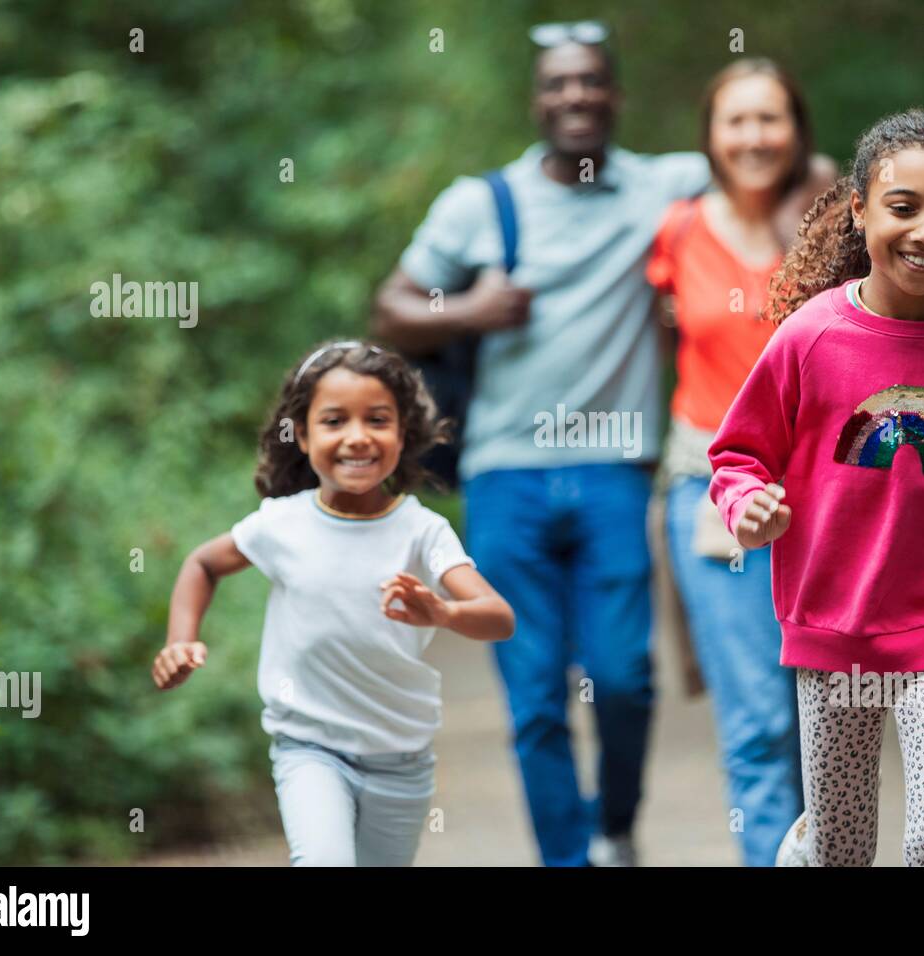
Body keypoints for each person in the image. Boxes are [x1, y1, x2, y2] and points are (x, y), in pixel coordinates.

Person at [375, 23, 710, 867]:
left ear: (615, 96)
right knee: (535, 699)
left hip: (614, 474)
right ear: (537, 100)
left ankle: (614, 826)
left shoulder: (666, 187)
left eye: (592, 81)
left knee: (625, 678)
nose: (576, 97)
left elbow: (774, 171)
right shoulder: (479, 203)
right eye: (559, 83)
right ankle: (568, 859)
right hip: (504, 477)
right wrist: (468, 312)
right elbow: (391, 312)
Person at [709, 109, 924, 866]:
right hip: (833, 626)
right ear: (859, 209)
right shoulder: (811, 337)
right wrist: (747, 506)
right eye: (903, 207)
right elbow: (737, 455)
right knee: (841, 851)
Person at [152, 340, 515, 866]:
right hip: (309, 747)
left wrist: (442, 611)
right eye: (334, 421)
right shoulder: (282, 523)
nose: (357, 437)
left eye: (377, 419)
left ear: (402, 433)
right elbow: (202, 564)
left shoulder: (422, 531)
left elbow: (499, 619)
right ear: (301, 435)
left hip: (401, 756)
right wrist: (180, 641)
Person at [646, 58, 835, 866]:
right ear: (711, 137)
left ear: (796, 129)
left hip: (832, 496)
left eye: (771, 119)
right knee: (758, 722)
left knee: (827, 722)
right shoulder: (680, 230)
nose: (754, 137)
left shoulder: (837, 226)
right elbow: (661, 345)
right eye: (736, 121)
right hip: (716, 488)